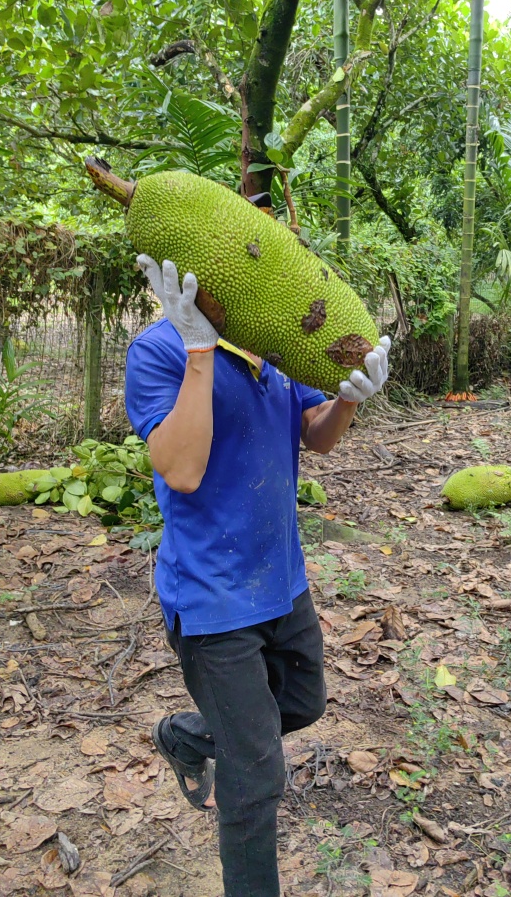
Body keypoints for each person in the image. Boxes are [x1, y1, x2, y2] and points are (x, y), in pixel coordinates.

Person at [124, 253, 390, 897]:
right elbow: (181, 470)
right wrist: (198, 350)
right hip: (213, 597)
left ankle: (185, 733)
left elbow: (313, 434)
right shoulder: (157, 352)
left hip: (281, 580)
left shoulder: (269, 347)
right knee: (257, 772)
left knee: (301, 702)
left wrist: (349, 399)